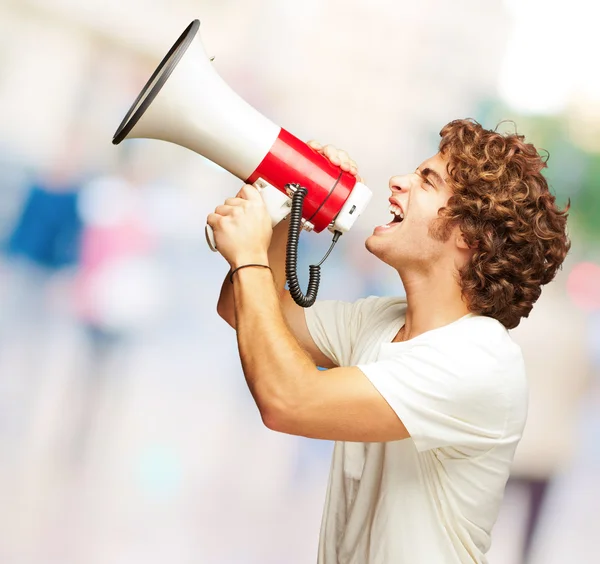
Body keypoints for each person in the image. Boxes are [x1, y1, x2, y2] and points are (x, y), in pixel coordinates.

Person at [208, 119, 571, 563]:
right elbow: (246, 310)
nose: (398, 182)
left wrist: (248, 253)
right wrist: (295, 195)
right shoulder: (382, 319)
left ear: (470, 236)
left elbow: (288, 400)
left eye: (427, 180)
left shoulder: (478, 359)